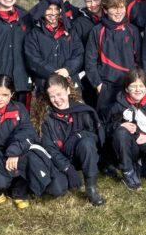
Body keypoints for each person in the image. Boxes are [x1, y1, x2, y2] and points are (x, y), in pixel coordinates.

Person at [0, 75, 53, 207]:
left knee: (31, 157)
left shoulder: (19, 109)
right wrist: (9, 168)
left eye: (5, 95)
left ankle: (18, 192)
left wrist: (14, 153)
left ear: (11, 94)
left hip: (12, 154)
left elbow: (27, 132)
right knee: (0, 181)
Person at [39, 74, 105, 206]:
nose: (57, 99)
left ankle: (91, 187)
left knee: (86, 143)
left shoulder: (83, 110)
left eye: (59, 94)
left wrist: (78, 136)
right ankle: (67, 176)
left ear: (68, 90)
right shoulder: (47, 118)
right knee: (56, 189)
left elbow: (95, 136)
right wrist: (66, 167)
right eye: (52, 96)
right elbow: (49, 148)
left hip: (81, 155)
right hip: (60, 160)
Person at [104, 69, 146, 190]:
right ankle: (128, 171)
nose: (137, 89)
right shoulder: (117, 105)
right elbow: (104, 129)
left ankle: (139, 167)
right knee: (121, 132)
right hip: (128, 145)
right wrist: (118, 126)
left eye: (141, 85)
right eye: (133, 86)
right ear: (126, 89)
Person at [85, 0, 141, 113]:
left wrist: (138, 84)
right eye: (114, 8)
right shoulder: (97, 31)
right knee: (107, 125)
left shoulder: (133, 31)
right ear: (105, 10)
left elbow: (140, 60)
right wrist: (98, 85)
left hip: (129, 86)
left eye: (121, 7)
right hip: (106, 88)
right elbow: (90, 62)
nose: (118, 12)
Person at [24, 0, 84, 94]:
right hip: (46, 85)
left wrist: (67, 69)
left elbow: (78, 53)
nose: (53, 13)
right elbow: (33, 61)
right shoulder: (34, 34)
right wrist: (55, 74)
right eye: (48, 9)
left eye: (56, 9)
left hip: (70, 83)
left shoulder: (70, 30)